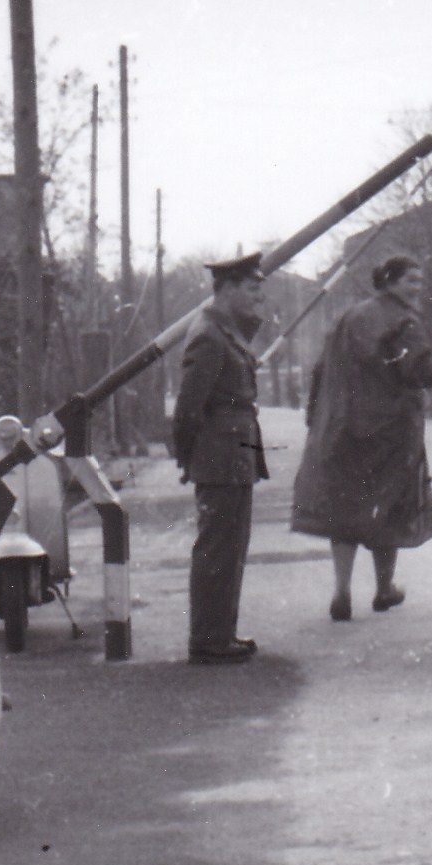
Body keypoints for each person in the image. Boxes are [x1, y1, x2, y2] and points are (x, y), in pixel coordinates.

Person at [289, 254, 432, 619]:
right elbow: (418, 370)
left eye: (419, 281)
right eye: (410, 280)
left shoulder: (348, 318)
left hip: (342, 431)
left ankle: (342, 591)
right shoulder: (404, 322)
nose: (417, 288)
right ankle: (384, 589)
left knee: (344, 507)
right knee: (388, 507)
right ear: (389, 281)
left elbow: (322, 369)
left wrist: (316, 417)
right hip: (390, 433)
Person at [170, 253, 270, 664]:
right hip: (219, 454)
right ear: (227, 289)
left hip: (231, 454)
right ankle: (209, 638)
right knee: (218, 548)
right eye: (252, 289)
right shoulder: (209, 335)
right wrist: (187, 456)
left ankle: (220, 632)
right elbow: (189, 407)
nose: (259, 297)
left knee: (231, 547)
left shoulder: (224, 330)